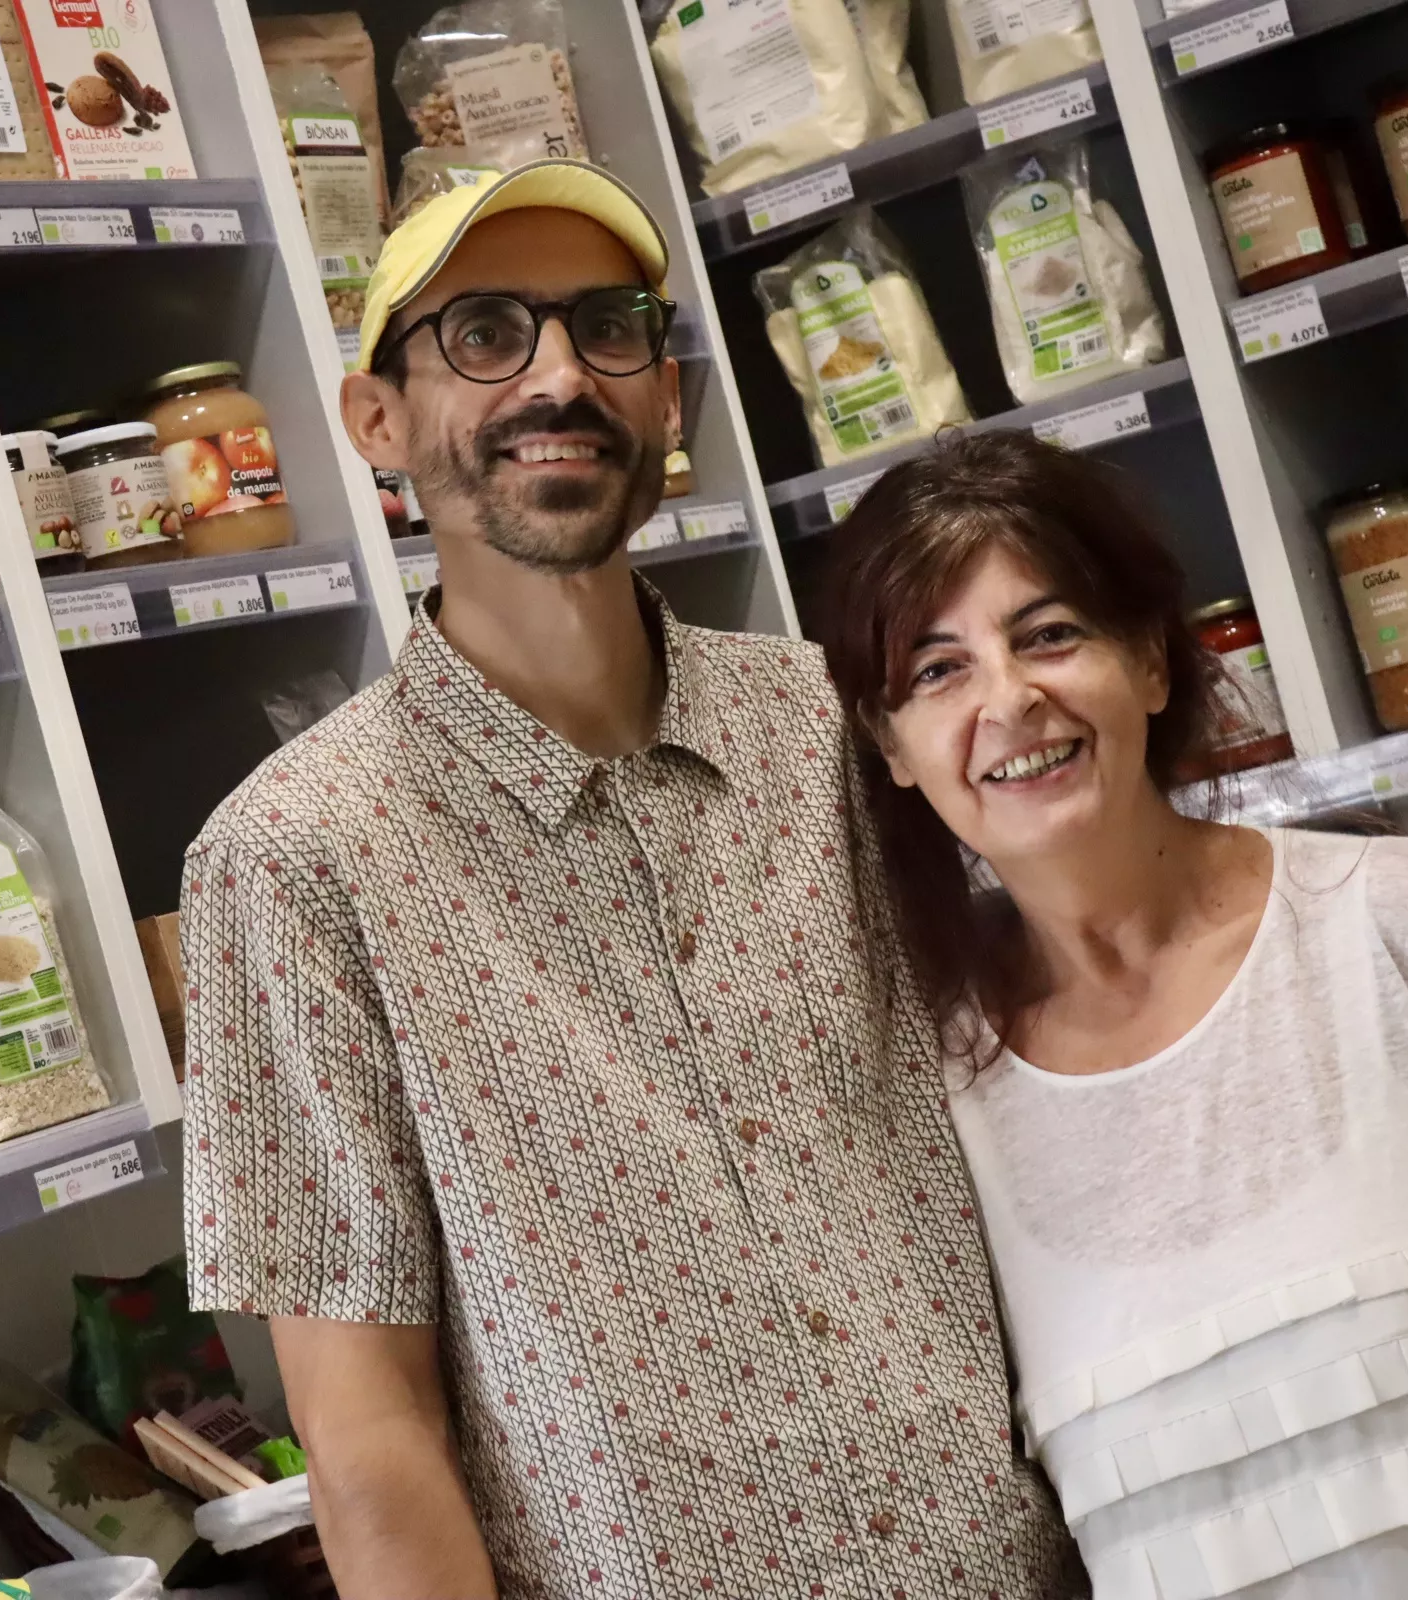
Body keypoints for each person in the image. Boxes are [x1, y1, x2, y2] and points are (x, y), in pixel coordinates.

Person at [178, 163, 1071, 1598]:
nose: (557, 377)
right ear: (378, 420)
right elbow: (367, 1431)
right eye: (483, 334)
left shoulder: (840, 729)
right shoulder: (295, 859)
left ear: (672, 402)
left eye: (608, 328)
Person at [816, 430, 1408, 1600]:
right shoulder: (937, 1096)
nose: (1009, 698)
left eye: (1050, 633)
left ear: (1151, 663)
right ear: (890, 746)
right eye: (936, 670)